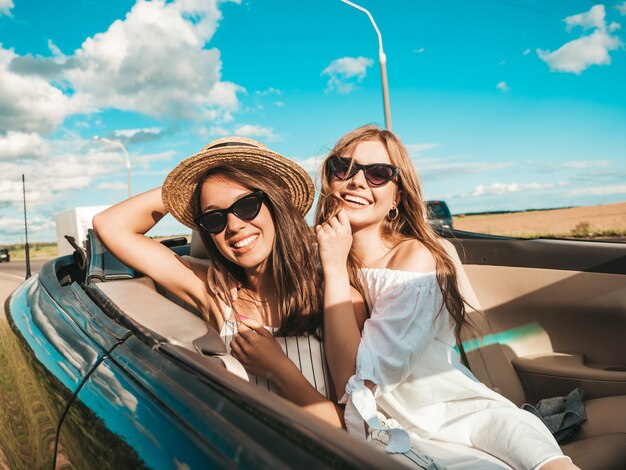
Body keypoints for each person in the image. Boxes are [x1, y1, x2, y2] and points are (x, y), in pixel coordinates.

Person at [314, 125, 578, 469]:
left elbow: (357, 384)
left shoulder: (413, 261)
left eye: (378, 174)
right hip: (392, 433)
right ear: (329, 178)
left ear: (397, 196)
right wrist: (331, 264)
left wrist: (334, 268)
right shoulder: (316, 262)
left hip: (465, 416)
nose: (357, 181)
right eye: (343, 167)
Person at [93, 136, 348, 428]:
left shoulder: (334, 291)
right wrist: (188, 186)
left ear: (275, 203)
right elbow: (109, 225)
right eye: (214, 219)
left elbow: (355, 429)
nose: (234, 226)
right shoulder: (212, 291)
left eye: (247, 205)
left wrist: (278, 370)